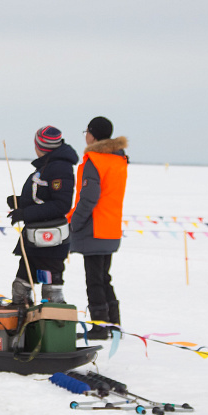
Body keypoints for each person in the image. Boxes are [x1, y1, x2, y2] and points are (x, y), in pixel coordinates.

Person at [68, 116, 129, 340]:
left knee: (94, 279)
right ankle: (114, 323)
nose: (85, 135)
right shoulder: (119, 159)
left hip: (94, 228)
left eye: (86, 131)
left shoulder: (95, 159)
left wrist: (75, 223)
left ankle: (100, 326)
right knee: (104, 277)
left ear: (92, 134)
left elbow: (89, 198)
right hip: (111, 227)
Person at [6, 126, 78, 304]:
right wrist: (21, 202)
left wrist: (25, 212)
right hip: (35, 240)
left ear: (39, 146)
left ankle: (54, 327)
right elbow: (42, 197)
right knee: (21, 287)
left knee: (51, 292)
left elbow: (61, 204)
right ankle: (24, 327)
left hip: (50, 242)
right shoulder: (48, 165)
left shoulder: (60, 167)